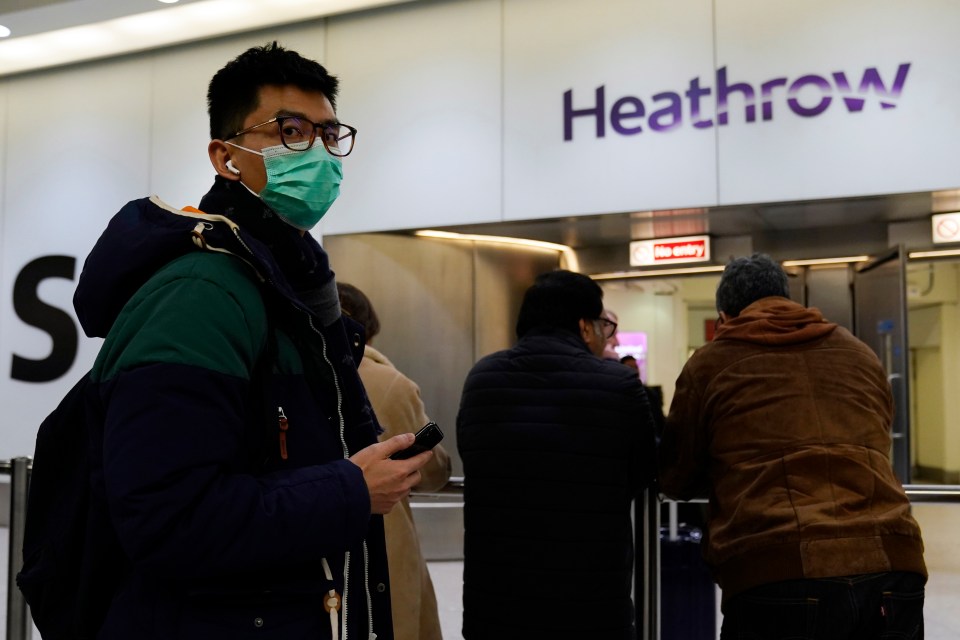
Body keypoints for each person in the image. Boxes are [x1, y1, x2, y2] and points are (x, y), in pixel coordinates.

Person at [72, 42, 432, 639]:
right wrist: (348, 490)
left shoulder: (292, 287)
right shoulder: (201, 290)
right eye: (289, 131)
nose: (315, 152)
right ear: (226, 156)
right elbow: (165, 517)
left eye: (327, 133)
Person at [658, 253, 927, 639]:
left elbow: (676, 476)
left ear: (724, 316)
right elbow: (879, 433)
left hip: (776, 570)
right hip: (891, 563)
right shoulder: (859, 352)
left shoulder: (711, 364)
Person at [457, 269, 657, 639]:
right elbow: (644, 470)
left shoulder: (482, 379)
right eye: (603, 326)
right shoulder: (618, 386)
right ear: (584, 327)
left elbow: (473, 456)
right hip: (591, 604)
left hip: (497, 605)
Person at [336, 282, 451, 640]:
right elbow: (433, 471)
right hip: (385, 545)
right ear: (369, 328)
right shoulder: (392, 383)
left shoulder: (286, 376)